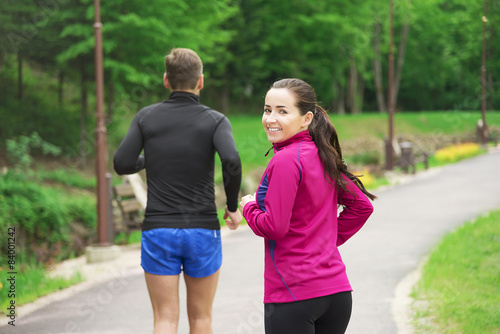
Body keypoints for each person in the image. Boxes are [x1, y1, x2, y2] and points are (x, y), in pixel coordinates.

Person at [113, 48, 243, 334]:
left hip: (159, 229)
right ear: (201, 81)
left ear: (166, 80)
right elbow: (231, 160)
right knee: (201, 319)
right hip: (202, 229)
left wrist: (150, 158)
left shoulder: (146, 117)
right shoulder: (216, 120)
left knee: (164, 319)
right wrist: (232, 207)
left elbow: (122, 163)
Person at [240, 78, 376, 334]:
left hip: (294, 296)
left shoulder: (285, 161)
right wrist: (323, 239)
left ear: (306, 118)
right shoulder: (323, 153)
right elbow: (361, 206)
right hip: (337, 294)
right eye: (267, 109)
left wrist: (248, 207)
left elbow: (274, 227)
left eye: (282, 111)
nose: (271, 118)